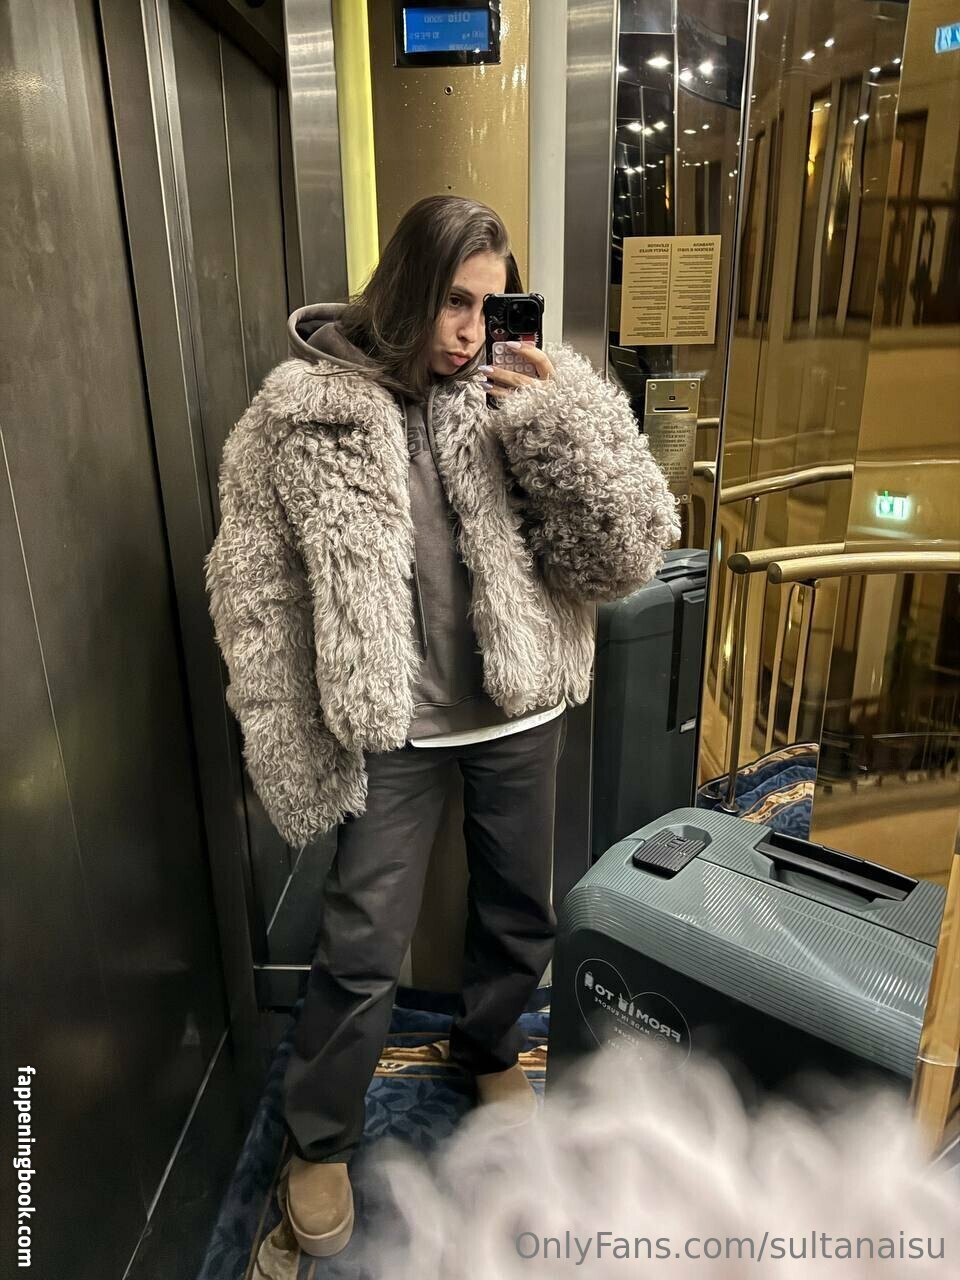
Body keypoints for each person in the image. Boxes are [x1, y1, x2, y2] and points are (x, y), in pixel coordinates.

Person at [204, 194, 679, 1257]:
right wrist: (284, 735)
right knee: (362, 935)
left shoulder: (525, 393)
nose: (470, 330)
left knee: (517, 904)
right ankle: (320, 1133)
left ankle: (491, 1046)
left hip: (520, 702)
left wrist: (560, 421)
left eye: (490, 303)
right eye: (453, 302)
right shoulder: (299, 414)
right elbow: (256, 589)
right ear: (406, 287)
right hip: (392, 725)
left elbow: (623, 553)